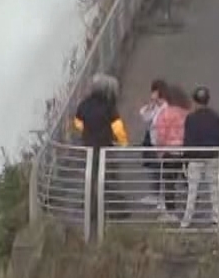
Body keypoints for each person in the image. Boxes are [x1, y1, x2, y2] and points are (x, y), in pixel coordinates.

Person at [71, 74, 128, 224]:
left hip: (88, 147)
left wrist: (86, 131)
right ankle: (116, 210)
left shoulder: (84, 104)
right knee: (109, 178)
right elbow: (117, 127)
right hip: (104, 148)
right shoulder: (109, 107)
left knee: (89, 178)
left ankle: (88, 209)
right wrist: (123, 142)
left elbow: (77, 123)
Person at [180, 86, 219, 229]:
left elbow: (187, 142)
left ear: (195, 101)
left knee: (192, 191)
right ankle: (217, 220)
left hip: (195, 158)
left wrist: (184, 160)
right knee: (214, 189)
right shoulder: (216, 118)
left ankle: (186, 221)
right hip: (212, 156)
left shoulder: (191, 118)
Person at [151, 85, 190, 216]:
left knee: (169, 183)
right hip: (184, 152)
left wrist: (159, 150)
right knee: (188, 181)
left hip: (169, 152)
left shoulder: (165, 113)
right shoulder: (186, 113)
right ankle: (189, 208)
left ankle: (170, 211)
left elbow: (160, 135)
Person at [136, 79, 169, 206]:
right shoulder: (155, 107)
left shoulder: (166, 107)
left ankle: (162, 198)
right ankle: (156, 195)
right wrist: (151, 105)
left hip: (162, 144)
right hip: (153, 142)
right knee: (155, 169)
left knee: (162, 171)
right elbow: (144, 115)